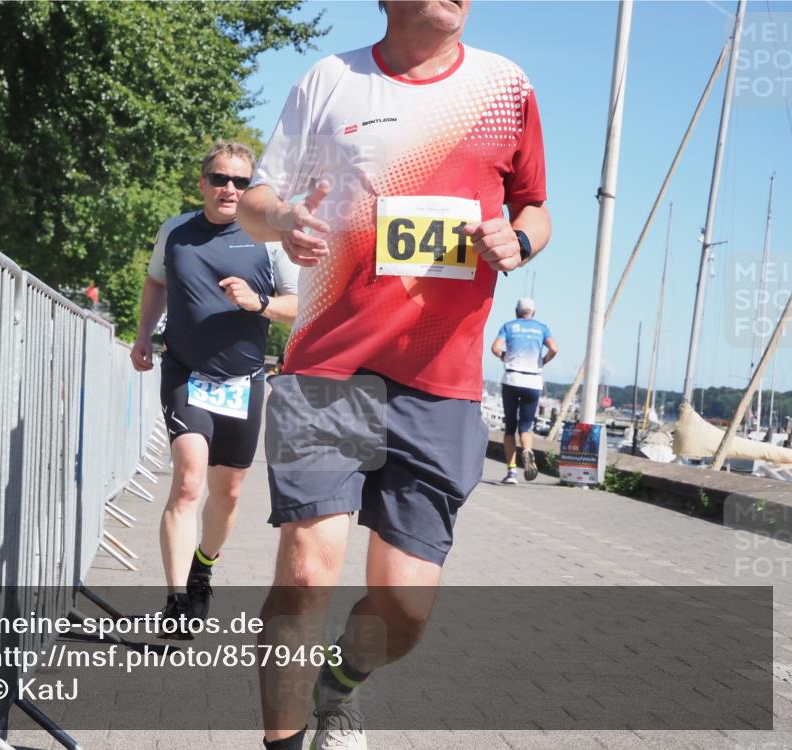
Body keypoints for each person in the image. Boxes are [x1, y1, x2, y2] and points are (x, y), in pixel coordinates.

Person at [237, 0, 550, 747]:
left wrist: (519, 240)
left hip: (439, 381)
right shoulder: (330, 80)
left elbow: (535, 206)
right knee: (308, 573)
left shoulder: (506, 87)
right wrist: (279, 220)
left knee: (406, 606)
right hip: (329, 363)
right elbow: (255, 198)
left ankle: (339, 685)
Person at [131, 140, 299, 637]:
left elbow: (297, 306)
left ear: (252, 190)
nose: (230, 189)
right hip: (185, 371)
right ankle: (178, 598)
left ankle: (204, 564)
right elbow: (156, 282)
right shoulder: (176, 231)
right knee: (187, 481)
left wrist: (258, 303)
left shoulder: (270, 240)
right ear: (203, 183)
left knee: (228, 494)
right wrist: (143, 335)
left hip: (244, 382)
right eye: (221, 179)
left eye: (242, 182)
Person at [491, 297, 558, 485]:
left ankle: (512, 472)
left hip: (512, 378)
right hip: (533, 380)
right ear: (533, 312)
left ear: (516, 311)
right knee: (526, 425)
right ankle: (527, 451)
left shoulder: (509, 326)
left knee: (510, 427)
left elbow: (495, 348)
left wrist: (505, 356)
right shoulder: (541, 328)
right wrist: (543, 361)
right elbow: (554, 348)